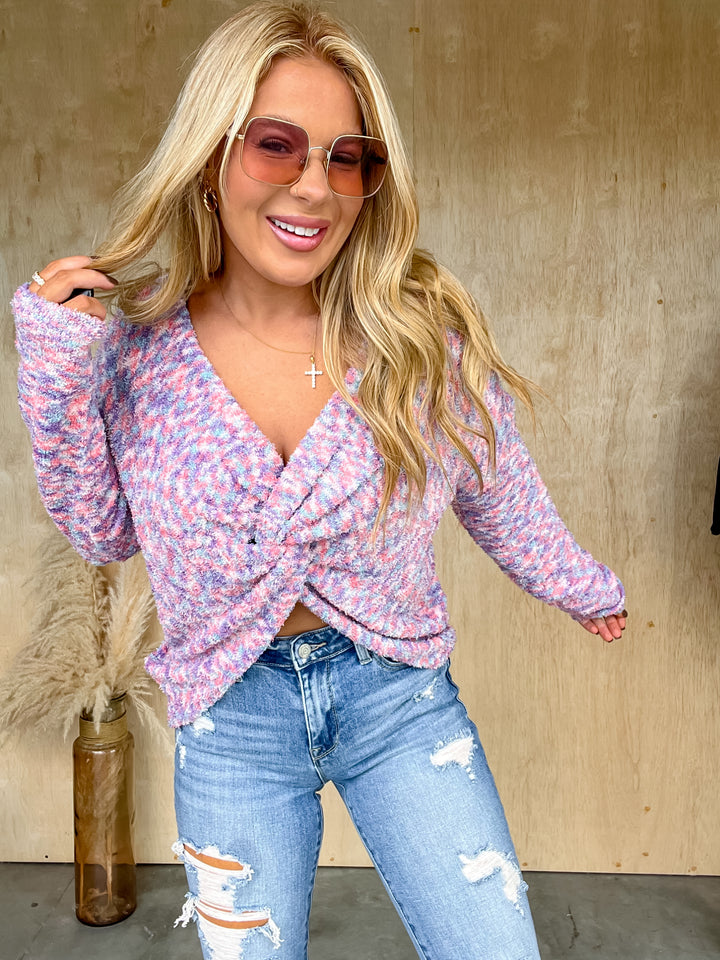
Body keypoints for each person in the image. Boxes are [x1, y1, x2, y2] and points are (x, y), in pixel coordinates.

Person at [12, 2, 627, 958]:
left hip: (399, 703)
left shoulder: (414, 344)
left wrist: (578, 584)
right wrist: (57, 374)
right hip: (230, 718)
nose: (314, 187)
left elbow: (497, 485)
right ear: (211, 159)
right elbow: (102, 532)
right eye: (276, 146)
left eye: (349, 159)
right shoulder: (136, 350)